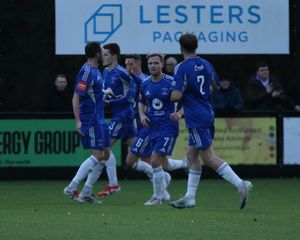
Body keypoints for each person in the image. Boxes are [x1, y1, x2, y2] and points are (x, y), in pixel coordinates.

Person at [169, 33, 252, 209]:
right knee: (192, 155)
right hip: (206, 111)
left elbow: (176, 96)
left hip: (196, 116)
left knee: (208, 156)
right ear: (196, 46)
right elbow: (215, 87)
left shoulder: (181, 67)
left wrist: (170, 94)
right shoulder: (206, 64)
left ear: (181, 48)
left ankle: (240, 185)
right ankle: (190, 197)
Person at [63, 42, 110, 204]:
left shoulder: (97, 71)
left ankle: (87, 191)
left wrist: (106, 96)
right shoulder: (86, 71)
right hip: (90, 118)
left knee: (104, 154)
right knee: (98, 154)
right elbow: (76, 96)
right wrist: (78, 121)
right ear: (97, 54)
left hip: (99, 117)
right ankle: (72, 186)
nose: (104, 55)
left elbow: (94, 95)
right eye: (102, 52)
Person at [137, 53, 181, 205]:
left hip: (168, 126)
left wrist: (180, 113)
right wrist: (142, 115)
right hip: (152, 127)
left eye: (156, 63)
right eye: (150, 63)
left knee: (154, 160)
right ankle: (187, 163)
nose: (152, 66)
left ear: (162, 64)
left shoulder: (171, 82)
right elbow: (141, 102)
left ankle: (157, 197)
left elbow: (187, 99)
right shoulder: (144, 83)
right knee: (164, 164)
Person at [96, 43, 137, 197]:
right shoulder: (105, 72)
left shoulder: (122, 73)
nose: (102, 57)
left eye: (106, 54)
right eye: (102, 54)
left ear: (114, 56)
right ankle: (162, 179)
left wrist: (110, 101)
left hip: (123, 115)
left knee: (102, 149)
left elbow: (130, 97)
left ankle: (107, 185)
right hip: (119, 115)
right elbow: (109, 93)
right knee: (141, 157)